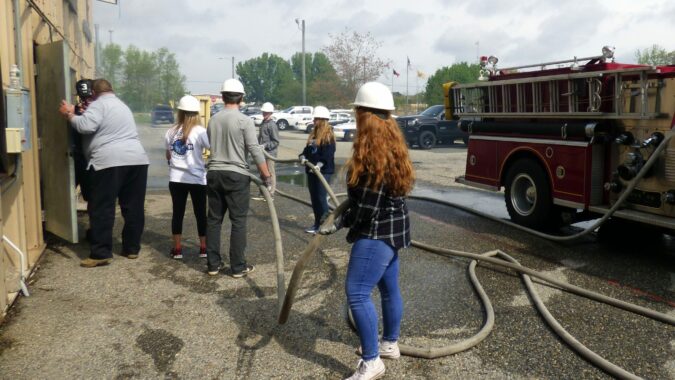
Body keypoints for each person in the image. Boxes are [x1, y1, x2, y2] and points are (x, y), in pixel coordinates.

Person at [320, 82, 414, 380]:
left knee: (357, 293)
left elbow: (367, 208)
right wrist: (346, 215)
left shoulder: (372, 153)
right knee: (388, 289)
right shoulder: (392, 145)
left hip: (376, 234)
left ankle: (372, 361)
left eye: (358, 110)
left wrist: (341, 222)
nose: (356, 115)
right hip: (395, 229)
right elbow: (371, 200)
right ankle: (389, 344)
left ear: (366, 115)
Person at [58, 79, 150, 268]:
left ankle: (101, 253)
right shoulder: (122, 106)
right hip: (137, 160)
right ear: (111, 90)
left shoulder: (98, 105)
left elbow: (86, 126)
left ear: (93, 93)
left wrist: (69, 115)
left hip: (110, 162)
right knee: (133, 206)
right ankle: (132, 248)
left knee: (102, 207)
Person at [205, 78, 272, 277]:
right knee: (238, 221)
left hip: (214, 173)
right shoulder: (245, 121)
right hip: (236, 175)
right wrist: (266, 175)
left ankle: (213, 265)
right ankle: (237, 267)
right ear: (241, 98)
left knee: (214, 220)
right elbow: (254, 150)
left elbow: (210, 144)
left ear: (223, 96)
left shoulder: (213, 119)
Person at [165, 95, 210, 260]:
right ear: (196, 113)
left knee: (178, 213)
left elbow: (168, 155)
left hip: (176, 179)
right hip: (197, 178)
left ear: (180, 112)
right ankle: (204, 248)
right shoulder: (200, 131)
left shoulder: (170, 131)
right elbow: (211, 147)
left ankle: (177, 249)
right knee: (200, 213)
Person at [299, 106, 336, 234]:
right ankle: (316, 224)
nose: (314, 121)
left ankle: (325, 225)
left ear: (322, 120)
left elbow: (328, 154)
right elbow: (307, 150)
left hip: (323, 172)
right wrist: (303, 156)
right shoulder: (313, 134)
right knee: (314, 198)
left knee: (321, 198)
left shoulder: (328, 135)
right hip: (311, 171)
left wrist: (319, 165)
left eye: (316, 119)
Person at [256, 101, 279, 198]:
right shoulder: (263, 123)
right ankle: (263, 193)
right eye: (263, 112)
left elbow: (276, 141)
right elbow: (260, 137)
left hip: (270, 153)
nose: (264, 114)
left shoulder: (272, 125)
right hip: (262, 153)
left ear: (270, 113)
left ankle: (271, 193)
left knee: (270, 173)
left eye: (266, 112)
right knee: (262, 173)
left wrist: (265, 145)